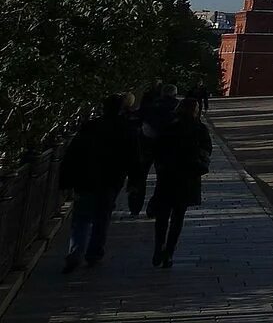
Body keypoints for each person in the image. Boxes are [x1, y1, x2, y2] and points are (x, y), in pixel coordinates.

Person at [58, 94, 139, 272]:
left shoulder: (90, 127)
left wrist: (65, 180)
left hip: (86, 178)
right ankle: (94, 253)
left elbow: (73, 153)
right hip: (110, 181)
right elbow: (133, 157)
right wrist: (134, 181)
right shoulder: (126, 128)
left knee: (81, 218)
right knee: (102, 218)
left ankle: (75, 252)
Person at [146, 99, 212, 269]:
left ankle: (158, 247)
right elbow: (207, 150)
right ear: (195, 111)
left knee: (162, 216)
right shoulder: (199, 128)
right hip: (187, 178)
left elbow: (156, 148)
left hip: (167, 177)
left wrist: (160, 165)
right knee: (178, 218)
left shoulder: (168, 125)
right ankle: (169, 252)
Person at [128, 85, 177, 216]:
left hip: (146, 144)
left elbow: (136, 118)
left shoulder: (151, 105)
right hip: (165, 147)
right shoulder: (176, 107)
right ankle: (154, 207)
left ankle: (135, 206)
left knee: (140, 175)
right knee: (162, 180)